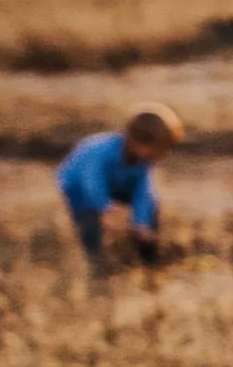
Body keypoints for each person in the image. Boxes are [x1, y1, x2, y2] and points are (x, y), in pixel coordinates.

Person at [57, 105, 182, 263]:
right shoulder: (99, 151)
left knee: (151, 206)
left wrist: (141, 223)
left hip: (116, 184)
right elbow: (92, 182)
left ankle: (148, 255)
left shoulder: (142, 160)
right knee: (89, 218)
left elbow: (142, 192)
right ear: (136, 142)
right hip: (77, 187)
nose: (160, 156)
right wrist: (104, 209)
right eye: (157, 151)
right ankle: (95, 259)